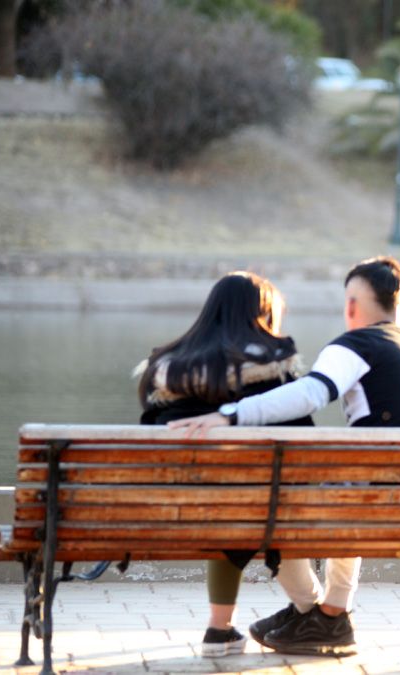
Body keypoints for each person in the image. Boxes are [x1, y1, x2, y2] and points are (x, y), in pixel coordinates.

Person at [170, 256, 400, 655]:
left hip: (379, 494)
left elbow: (312, 393)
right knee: (348, 485)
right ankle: (324, 614)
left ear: (352, 306)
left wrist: (230, 415)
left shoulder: (357, 343)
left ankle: (318, 612)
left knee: (284, 498)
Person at [135, 271, 314, 657]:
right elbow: (303, 441)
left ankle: (220, 629)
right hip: (261, 505)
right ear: (263, 314)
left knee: (228, 507)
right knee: (261, 507)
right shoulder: (275, 367)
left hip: (173, 508)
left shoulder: (167, 368)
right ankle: (311, 610)